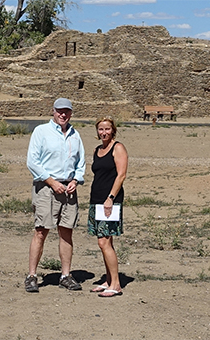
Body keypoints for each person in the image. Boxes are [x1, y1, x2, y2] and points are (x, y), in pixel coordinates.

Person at [25, 98, 86, 292]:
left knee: (66, 231)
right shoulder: (41, 131)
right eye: (59, 111)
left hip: (68, 189)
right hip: (46, 187)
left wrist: (76, 180)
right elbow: (32, 161)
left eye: (66, 111)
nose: (63, 114)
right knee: (41, 230)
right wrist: (51, 182)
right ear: (53, 111)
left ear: (71, 113)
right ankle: (32, 275)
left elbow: (80, 162)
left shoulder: (75, 135)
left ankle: (66, 275)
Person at [88, 117, 127, 297]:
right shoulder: (98, 150)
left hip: (109, 200)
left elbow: (121, 175)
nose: (104, 132)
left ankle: (116, 284)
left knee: (103, 241)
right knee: (105, 242)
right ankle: (108, 280)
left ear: (113, 130)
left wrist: (110, 198)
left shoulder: (117, 148)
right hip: (96, 199)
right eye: (101, 129)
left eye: (107, 129)